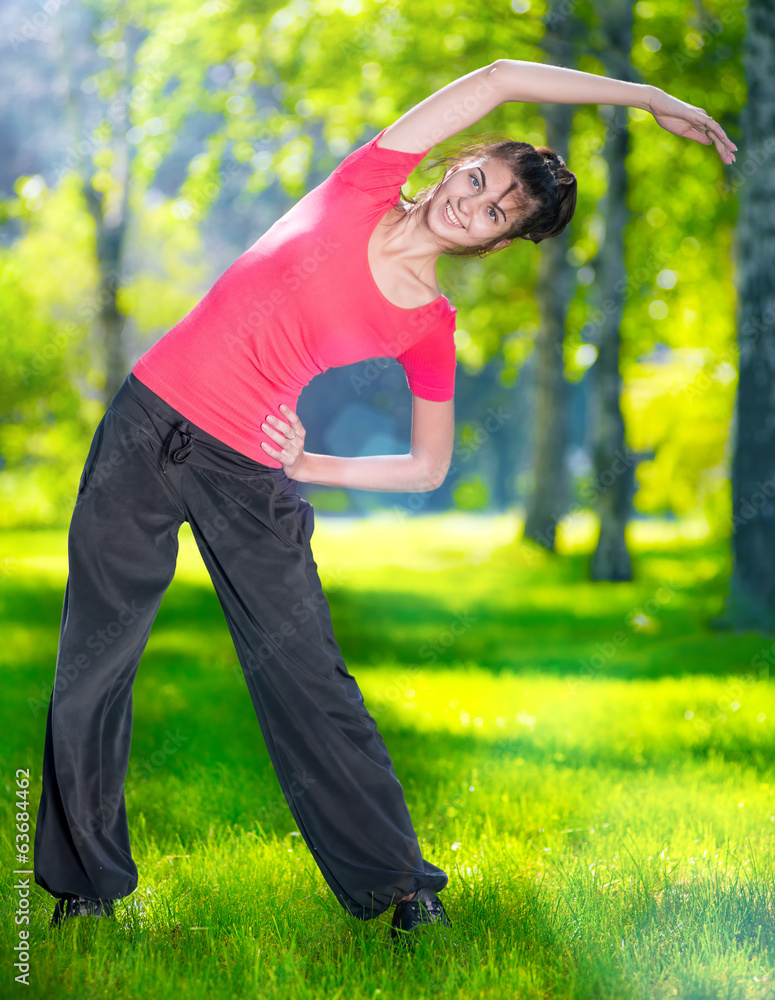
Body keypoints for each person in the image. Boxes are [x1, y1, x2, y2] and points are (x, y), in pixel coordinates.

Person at [34, 59, 736, 941]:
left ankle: (404, 884)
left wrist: (312, 463)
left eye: (496, 213)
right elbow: (499, 77)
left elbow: (427, 466)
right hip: (144, 424)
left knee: (307, 677)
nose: (473, 204)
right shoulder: (364, 182)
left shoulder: (426, 323)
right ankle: (85, 885)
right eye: (477, 180)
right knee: (93, 661)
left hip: (247, 472)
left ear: (496, 242)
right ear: (455, 162)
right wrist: (649, 97)